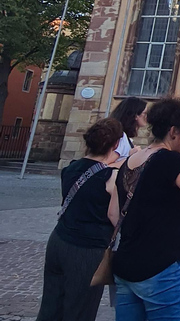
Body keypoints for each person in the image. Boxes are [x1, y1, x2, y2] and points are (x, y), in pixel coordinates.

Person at [113, 97, 180, 321]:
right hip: (158, 267)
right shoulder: (172, 161)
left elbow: (112, 215)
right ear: (173, 131)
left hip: (125, 263)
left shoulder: (130, 161)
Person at [36, 118, 123, 321]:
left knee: (50, 306)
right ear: (116, 144)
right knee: (80, 310)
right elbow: (114, 215)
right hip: (87, 249)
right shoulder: (111, 177)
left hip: (59, 240)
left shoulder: (71, 168)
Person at [110, 97, 148, 163]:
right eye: (145, 113)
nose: (147, 116)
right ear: (136, 115)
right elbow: (106, 165)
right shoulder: (121, 138)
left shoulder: (125, 137)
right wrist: (131, 157)